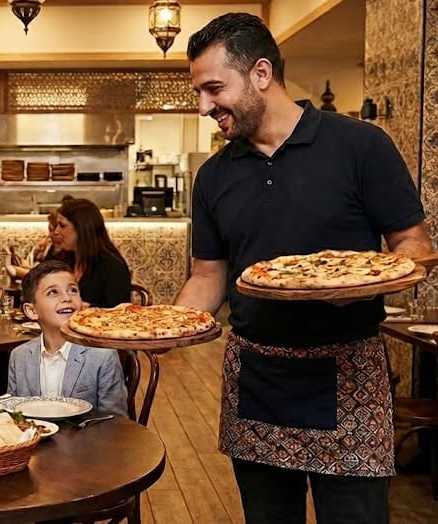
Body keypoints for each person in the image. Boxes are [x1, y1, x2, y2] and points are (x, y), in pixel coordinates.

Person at [175, 13, 433, 524]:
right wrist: (163, 332)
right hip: (256, 376)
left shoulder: (361, 146)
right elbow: (208, 276)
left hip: (349, 371)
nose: (204, 107)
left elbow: (414, 244)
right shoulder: (213, 177)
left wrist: (362, 285)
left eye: (213, 89)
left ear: (261, 74)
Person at [8, 260, 127, 416]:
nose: (67, 298)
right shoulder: (19, 356)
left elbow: (117, 423)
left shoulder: (102, 356)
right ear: (32, 311)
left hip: (89, 439)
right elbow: (13, 414)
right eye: (53, 292)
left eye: (72, 290)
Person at [53, 198, 131, 308]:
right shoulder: (62, 259)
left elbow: (119, 311)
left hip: (95, 323)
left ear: (82, 228)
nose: (56, 231)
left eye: (62, 225)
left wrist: (88, 307)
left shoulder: (112, 266)